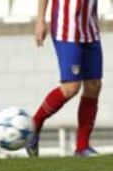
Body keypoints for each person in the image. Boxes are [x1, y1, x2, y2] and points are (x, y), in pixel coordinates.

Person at [26, 0, 102, 157]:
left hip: (90, 30)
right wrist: (41, 21)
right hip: (66, 30)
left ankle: (82, 147)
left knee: (94, 85)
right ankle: (35, 124)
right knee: (71, 87)